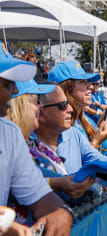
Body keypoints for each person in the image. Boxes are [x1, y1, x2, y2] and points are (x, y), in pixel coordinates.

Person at [0, 42, 73, 235]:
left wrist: (61, 212)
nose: (15, 91)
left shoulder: (9, 133)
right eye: (7, 84)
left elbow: (40, 196)